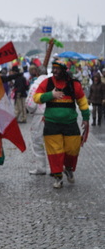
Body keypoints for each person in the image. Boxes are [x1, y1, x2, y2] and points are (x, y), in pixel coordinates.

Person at [34, 60, 90, 189]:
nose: (54, 71)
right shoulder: (47, 82)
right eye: (53, 68)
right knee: (55, 152)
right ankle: (58, 177)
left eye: (57, 69)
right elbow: (36, 98)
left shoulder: (74, 84)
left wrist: (86, 118)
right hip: (51, 124)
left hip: (70, 123)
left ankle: (69, 168)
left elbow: (82, 102)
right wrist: (51, 95)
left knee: (73, 149)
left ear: (64, 70)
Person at [26, 65, 49, 175]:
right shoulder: (53, 83)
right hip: (53, 115)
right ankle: (57, 168)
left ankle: (41, 167)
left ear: (37, 73)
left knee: (37, 141)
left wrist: (30, 110)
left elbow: (31, 104)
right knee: (54, 142)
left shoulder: (35, 85)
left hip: (39, 115)